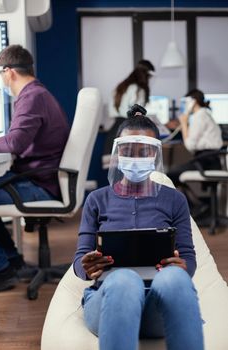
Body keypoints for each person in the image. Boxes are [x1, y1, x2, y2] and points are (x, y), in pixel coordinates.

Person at [73, 104, 204, 350]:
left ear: (155, 155)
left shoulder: (174, 199)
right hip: (107, 303)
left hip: (156, 308)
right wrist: (87, 266)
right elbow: (80, 261)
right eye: (128, 150)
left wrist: (181, 267)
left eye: (144, 152)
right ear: (117, 152)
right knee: (124, 280)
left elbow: (188, 259)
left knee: (175, 278)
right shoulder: (97, 200)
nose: (135, 158)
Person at [0, 45, 70, 292]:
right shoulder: (39, 94)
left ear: (10, 72)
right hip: (40, 178)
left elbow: (16, 142)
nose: (2, 80)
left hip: (40, 184)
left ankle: (1, 269)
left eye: (0, 73)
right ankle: (12, 263)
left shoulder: (32, 97)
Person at [167, 88, 223, 188]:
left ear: (193, 102)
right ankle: (195, 202)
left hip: (205, 162)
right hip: (211, 161)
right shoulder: (205, 114)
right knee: (175, 172)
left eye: (185, 102)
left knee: (170, 174)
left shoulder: (199, 116)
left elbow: (190, 146)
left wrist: (184, 124)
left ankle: (193, 203)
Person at [103, 59, 156, 163]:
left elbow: (111, 110)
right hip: (128, 132)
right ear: (147, 75)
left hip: (114, 132)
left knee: (113, 174)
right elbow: (138, 114)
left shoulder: (121, 87)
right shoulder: (138, 90)